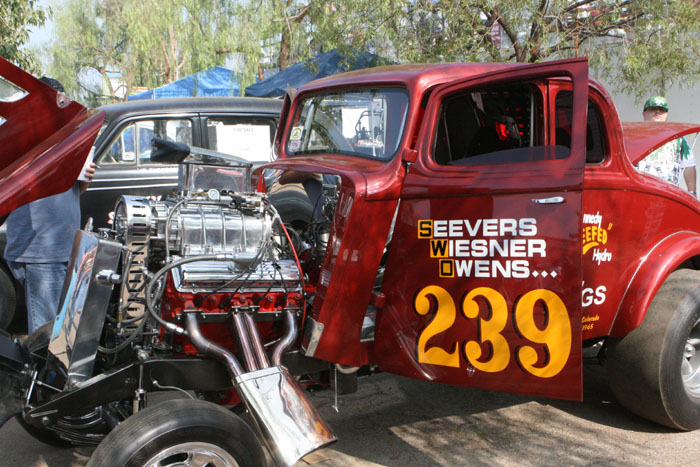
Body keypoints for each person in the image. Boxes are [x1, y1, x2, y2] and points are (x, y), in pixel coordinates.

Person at [3, 77, 96, 334]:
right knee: (47, 331)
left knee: (63, 331)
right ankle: (43, 362)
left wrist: (84, 178)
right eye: (58, 104)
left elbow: (75, 192)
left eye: (65, 104)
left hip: (66, 247)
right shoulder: (23, 139)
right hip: (41, 251)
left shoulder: (68, 139)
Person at [636, 96, 697, 195]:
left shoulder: (677, 138)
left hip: (669, 194)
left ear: (666, 114)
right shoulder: (632, 137)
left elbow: (689, 165)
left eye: (661, 110)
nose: (657, 112)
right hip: (640, 192)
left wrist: (692, 192)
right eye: (652, 109)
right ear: (644, 113)